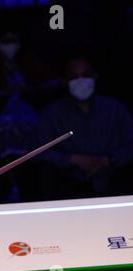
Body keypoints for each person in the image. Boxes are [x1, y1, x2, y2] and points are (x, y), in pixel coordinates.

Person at [37, 58, 133, 200]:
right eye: (74, 77)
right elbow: (38, 152)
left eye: (86, 75)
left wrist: (107, 161)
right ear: (65, 81)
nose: (81, 81)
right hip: (67, 190)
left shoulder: (116, 109)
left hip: (116, 188)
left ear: (95, 76)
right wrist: (74, 159)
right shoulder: (53, 113)